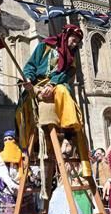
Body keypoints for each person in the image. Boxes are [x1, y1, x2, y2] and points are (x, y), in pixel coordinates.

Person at [16, 24, 91, 179]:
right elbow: (30, 66)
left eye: (78, 42)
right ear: (66, 35)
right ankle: (26, 150)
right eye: (74, 39)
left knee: (63, 92)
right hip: (37, 83)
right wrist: (28, 79)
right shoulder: (44, 46)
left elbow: (66, 74)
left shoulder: (71, 58)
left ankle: (69, 136)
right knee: (20, 110)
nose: (75, 43)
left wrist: (52, 84)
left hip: (57, 85)